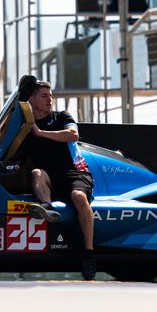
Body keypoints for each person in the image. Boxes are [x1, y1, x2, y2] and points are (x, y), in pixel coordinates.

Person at [19, 79, 97, 280]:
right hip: (50, 179)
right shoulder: (25, 127)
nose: (50, 100)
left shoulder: (62, 116)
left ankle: (89, 254)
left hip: (76, 173)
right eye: (44, 96)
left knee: (79, 197)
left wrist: (41, 133)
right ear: (32, 99)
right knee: (37, 173)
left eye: (51, 96)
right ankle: (47, 207)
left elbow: (73, 135)